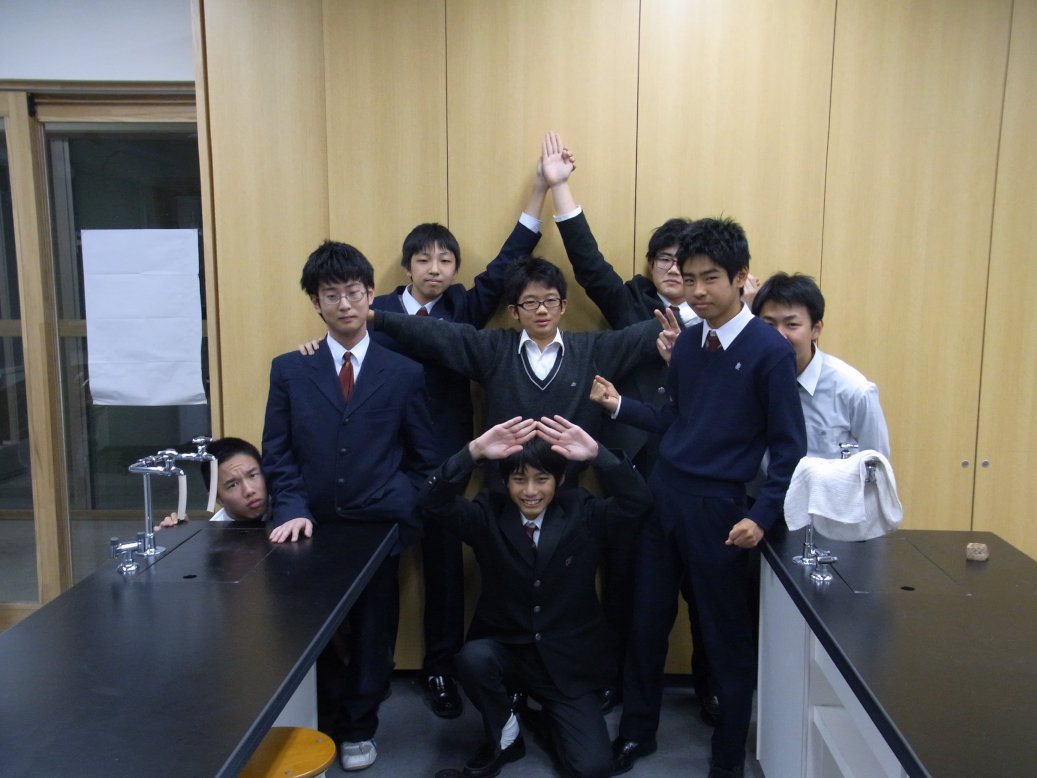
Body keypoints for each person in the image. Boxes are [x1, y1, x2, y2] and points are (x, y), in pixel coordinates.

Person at [591, 217, 806, 778]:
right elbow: (675, 419)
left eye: (711, 278)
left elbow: (789, 449)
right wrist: (619, 406)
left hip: (721, 509)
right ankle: (637, 733)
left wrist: (763, 516)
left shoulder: (769, 350)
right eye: (689, 279)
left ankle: (727, 758)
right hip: (664, 497)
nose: (698, 291)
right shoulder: (688, 342)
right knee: (646, 625)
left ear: (740, 277)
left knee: (724, 639)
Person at [368, 139, 554, 719]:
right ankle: (368, 677)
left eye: (446, 261)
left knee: (446, 572)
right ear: (407, 266)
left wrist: (540, 188)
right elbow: (338, 341)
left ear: (454, 270)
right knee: (377, 574)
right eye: (424, 260)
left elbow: (506, 263)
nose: (435, 269)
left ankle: (440, 671)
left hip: (447, 462)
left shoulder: (461, 312)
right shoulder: (375, 311)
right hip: (384, 462)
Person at [261, 240, 438, 772]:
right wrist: (291, 506)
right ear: (315, 302)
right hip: (308, 525)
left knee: (373, 631)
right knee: (309, 634)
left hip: (378, 527)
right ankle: (319, 719)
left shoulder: (403, 371)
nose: (344, 304)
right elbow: (277, 452)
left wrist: (402, 506)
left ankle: (360, 726)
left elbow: (425, 458)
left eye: (354, 292)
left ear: (371, 295)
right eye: (331, 294)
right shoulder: (290, 369)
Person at [421, 415, 653, 778]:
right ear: (505, 482)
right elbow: (432, 502)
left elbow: (639, 502)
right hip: (506, 652)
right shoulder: (487, 514)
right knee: (473, 659)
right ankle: (506, 735)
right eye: (519, 479)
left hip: (566, 663)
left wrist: (598, 454)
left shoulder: (583, 511)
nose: (530, 490)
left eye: (541, 479)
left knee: (593, 769)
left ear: (560, 480)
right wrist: (474, 451)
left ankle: (544, 720)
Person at [751, 271, 890, 459]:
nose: (779, 336)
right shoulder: (748, 382)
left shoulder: (854, 391)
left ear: (816, 329)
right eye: (769, 325)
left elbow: (876, 465)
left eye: (792, 325)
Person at [158, 436, 269, 527]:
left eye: (252, 475)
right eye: (233, 485)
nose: (249, 490)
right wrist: (179, 535)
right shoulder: (215, 534)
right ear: (217, 499)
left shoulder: (279, 503)